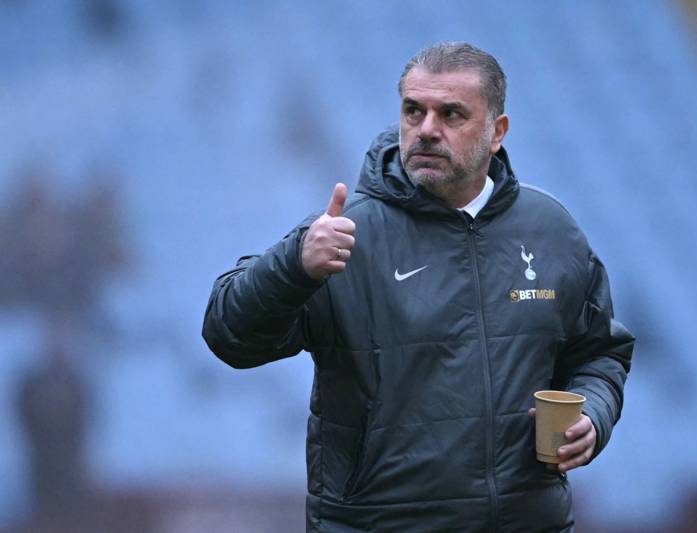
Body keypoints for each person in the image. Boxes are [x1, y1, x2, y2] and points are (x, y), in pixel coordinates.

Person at [203, 42, 634, 532]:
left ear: (497, 132)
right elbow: (229, 336)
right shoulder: (347, 235)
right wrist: (293, 266)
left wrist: (593, 415)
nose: (427, 129)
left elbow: (599, 352)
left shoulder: (550, 230)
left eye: (451, 114)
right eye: (414, 111)